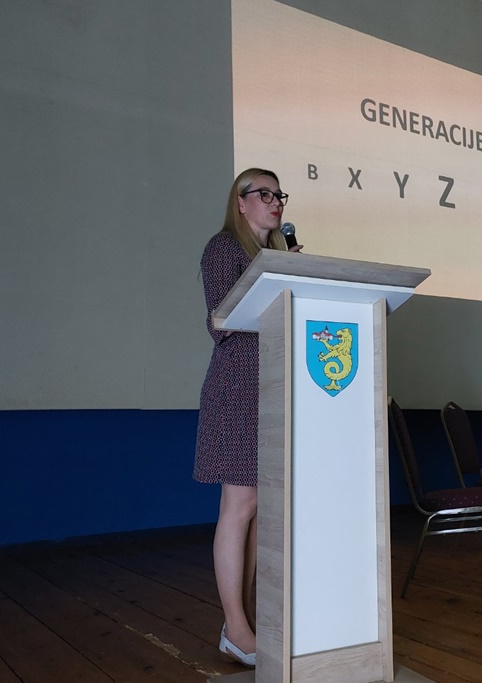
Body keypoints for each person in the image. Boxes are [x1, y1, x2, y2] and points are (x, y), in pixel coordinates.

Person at [194, 168, 299, 667]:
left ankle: (247, 619)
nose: (275, 201)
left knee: (259, 506)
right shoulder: (223, 248)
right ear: (240, 203)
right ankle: (235, 627)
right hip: (237, 390)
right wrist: (274, 280)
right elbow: (221, 319)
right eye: (265, 193)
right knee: (240, 504)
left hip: (271, 388)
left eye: (279, 195)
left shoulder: (271, 256)